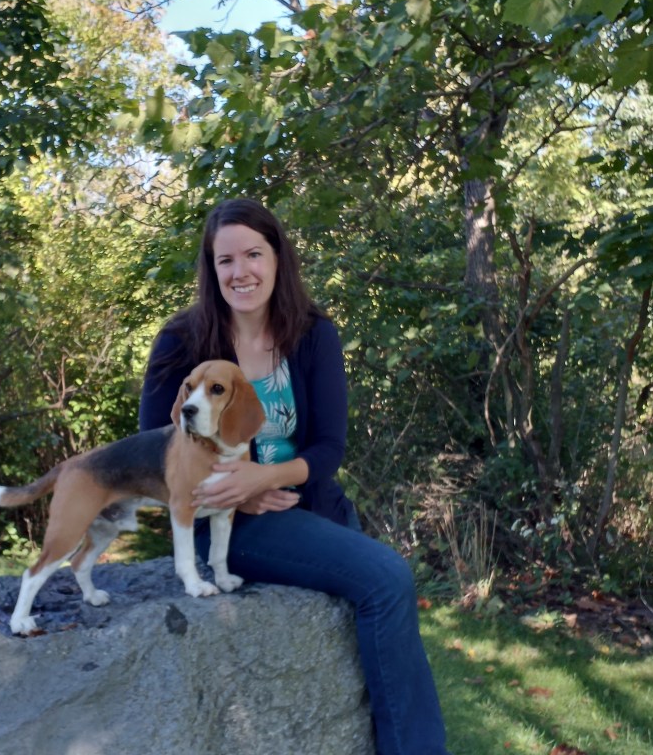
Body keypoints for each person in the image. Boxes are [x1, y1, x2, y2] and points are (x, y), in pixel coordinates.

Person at [138, 198, 450, 755]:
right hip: (226, 520)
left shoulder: (313, 335)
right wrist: (237, 488)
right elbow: (158, 458)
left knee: (381, 588)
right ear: (211, 270)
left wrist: (263, 477)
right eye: (225, 260)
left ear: (278, 258)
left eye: (253, 254)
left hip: (314, 506)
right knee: (386, 577)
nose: (241, 272)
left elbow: (330, 446)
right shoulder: (182, 342)